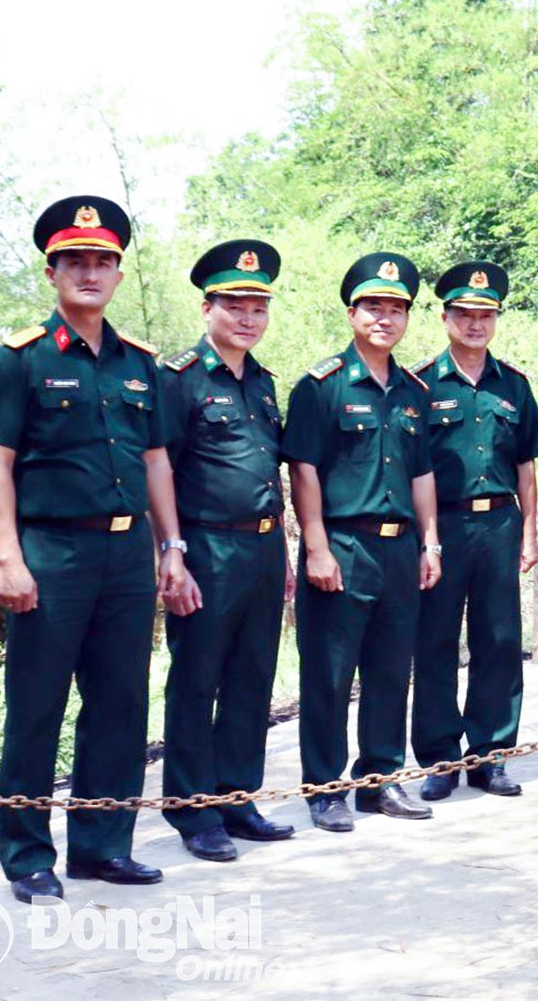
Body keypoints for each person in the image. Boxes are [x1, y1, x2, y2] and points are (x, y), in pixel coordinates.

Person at [0, 195, 188, 903]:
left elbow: (156, 459)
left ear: (118, 273)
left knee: (121, 702)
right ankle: (28, 854)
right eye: (76, 261)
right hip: (52, 553)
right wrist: (9, 556)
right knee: (36, 704)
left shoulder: (139, 365)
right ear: (52, 270)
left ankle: (101, 845)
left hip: (126, 557)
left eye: (103, 261)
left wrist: (172, 547)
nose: (90, 272)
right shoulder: (20, 361)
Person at [281, 252, 442, 831]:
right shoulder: (320, 387)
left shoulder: (412, 391)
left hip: (400, 550)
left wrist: (431, 542)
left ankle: (380, 779)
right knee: (328, 672)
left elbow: (422, 474)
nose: (385, 317)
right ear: (353, 312)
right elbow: (304, 471)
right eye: (374, 306)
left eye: (396, 309)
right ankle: (325, 789)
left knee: (390, 670)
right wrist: (316, 547)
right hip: (343, 546)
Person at [159, 240, 297, 863]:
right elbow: (157, 470)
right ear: (208, 307)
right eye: (235, 305)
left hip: (265, 549)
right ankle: (192, 810)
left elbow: (273, 473)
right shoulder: (179, 380)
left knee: (250, 678)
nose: (248, 318)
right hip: (206, 548)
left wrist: (288, 553)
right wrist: (173, 552)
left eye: (258, 307)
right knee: (197, 678)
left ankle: (236, 796)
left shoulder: (264, 383)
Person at [411, 262, 538, 801]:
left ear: (495, 320)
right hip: (443, 524)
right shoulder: (419, 383)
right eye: (464, 314)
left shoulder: (513, 384)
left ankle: (491, 755)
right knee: (436, 640)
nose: (474, 324)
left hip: (499, 524)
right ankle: (439, 757)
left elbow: (529, 465)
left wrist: (531, 533)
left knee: (500, 640)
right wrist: (426, 538)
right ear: (445, 317)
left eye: (484, 315)